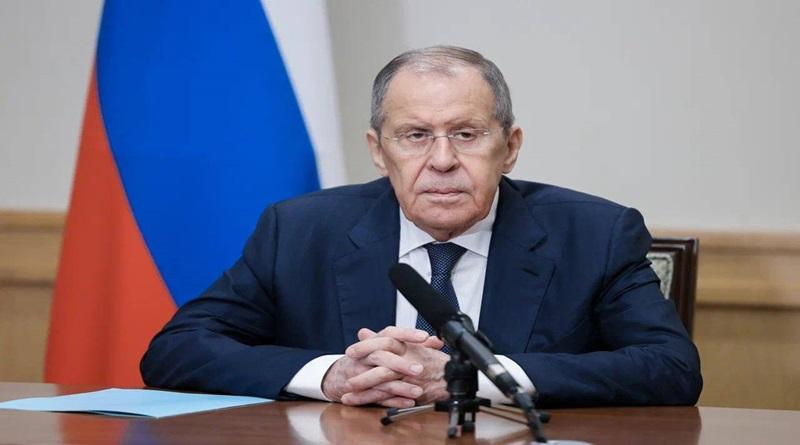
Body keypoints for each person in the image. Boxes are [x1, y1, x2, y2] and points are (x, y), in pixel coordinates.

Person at [140, 46, 702, 408]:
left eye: (466, 134)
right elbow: (176, 350)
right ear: (378, 151)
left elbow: (672, 369)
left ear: (510, 147)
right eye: (414, 136)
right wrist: (332, 374)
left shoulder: (594, 234)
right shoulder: (300, 230)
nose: (442, 161)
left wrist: (474, 377)